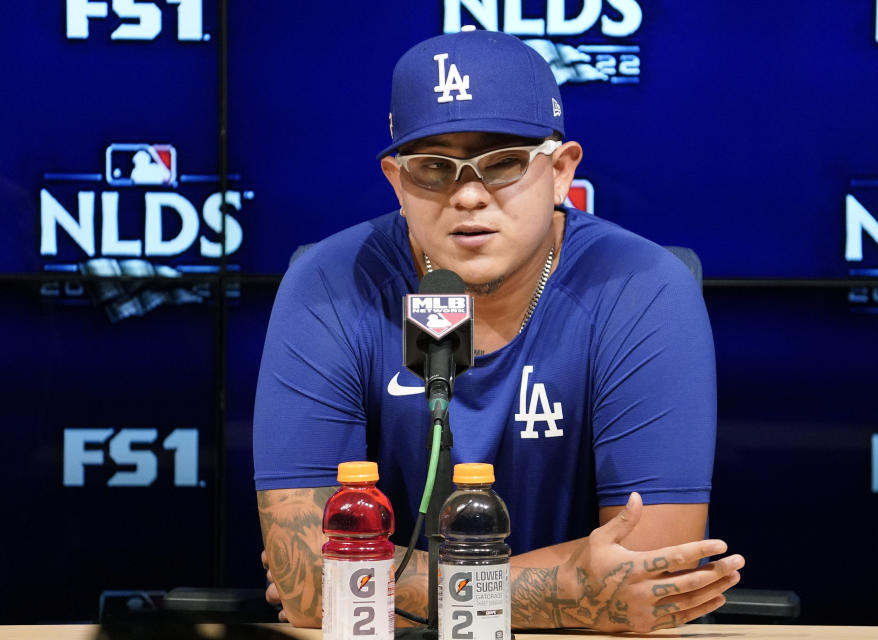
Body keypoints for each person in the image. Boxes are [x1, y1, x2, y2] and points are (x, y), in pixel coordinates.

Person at [253, 28, 744, 633]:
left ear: (562, 171)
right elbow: (307, 586)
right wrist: (565, 592)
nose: (468, 197)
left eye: (503, 163)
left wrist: (368, 579)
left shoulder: (643, 288)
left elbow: (649, 579)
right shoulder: (327, 285)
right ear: (395, 181)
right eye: (434, 167)